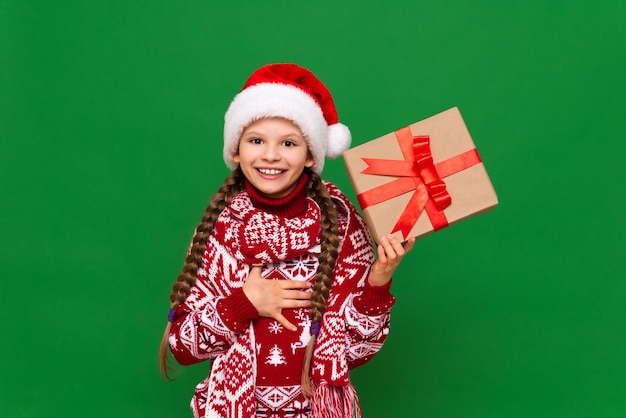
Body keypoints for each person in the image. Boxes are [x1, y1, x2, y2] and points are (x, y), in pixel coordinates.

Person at [159, 63, 415, 418]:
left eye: (289, 143)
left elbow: (357, 349)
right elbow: (182, 346)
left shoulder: (340, 224)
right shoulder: (221, 228)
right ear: (236, 150)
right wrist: (244, 303)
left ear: (311, 155)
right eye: (256, 140)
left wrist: (378, 280)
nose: (270, 155)